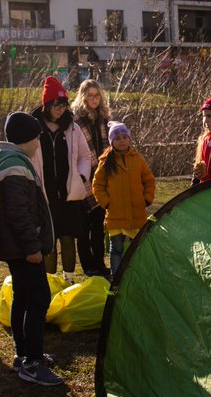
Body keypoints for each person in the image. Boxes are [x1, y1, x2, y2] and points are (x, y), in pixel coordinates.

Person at [0, 112, 64, 386]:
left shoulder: (13, 161)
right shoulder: (15, 166)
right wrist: (32, 246)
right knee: (37, 299)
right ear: (27, 138)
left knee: (24, 298)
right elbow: (19, 213)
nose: (39, 143)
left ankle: (25, 353)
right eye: (37, 137)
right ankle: (32, 361)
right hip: (23, 248)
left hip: (17, 247)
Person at [30, 77, 92, 283]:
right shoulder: (34, 127)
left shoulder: (72, 127)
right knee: (48, 239)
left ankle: (69, 279)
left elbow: (85, 155)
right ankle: (50, 281)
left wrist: (81, 176)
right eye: (57, 105)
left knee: (68, 237)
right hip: (44, 194)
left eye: (64, 105)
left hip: (68, 194)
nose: (61, 109)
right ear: (46, 104)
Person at [91, 121, 156, 277]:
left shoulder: (137, 159)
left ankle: (137, 276)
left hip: (136, 213)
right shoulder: (106, 161)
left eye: (124, 137)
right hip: (115, 214)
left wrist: (146, 199)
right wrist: (107, 202)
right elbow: (97, 185)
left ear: (129, 139)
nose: (121, 140)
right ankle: (116, 278)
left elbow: (149, 180)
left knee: (136, 248)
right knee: (116, 249)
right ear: (111, 141)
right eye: (117, 138)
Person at [71, 79, 112, 279]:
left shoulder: (103, 116)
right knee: (83, 227)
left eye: (97, 95)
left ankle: (99, 263)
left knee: (98, 225)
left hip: (101, 173)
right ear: (83, 96)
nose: (94, 99)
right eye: (90, 95)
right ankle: (88, 265)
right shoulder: (76, 119)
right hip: (83, 174)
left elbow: (107, 143)